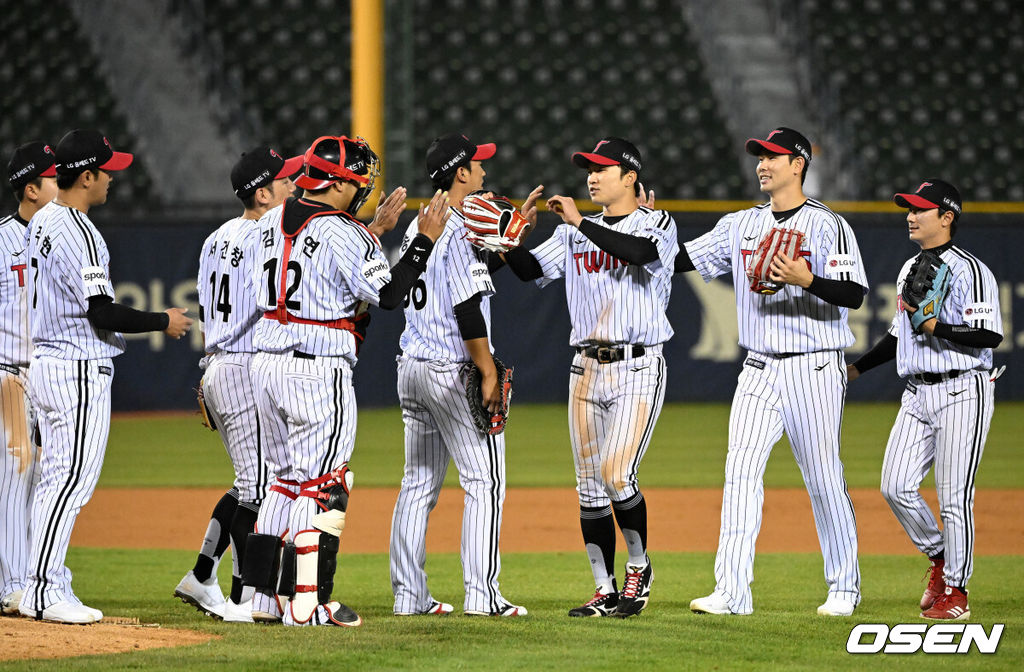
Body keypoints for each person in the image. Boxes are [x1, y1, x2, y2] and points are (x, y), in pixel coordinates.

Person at [242, 135, 448, 627]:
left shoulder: (270, 221)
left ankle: (263, 600)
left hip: (266, 363)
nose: (364, 190)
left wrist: (371, 232)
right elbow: (391, 294)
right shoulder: (343, 230)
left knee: (282, 485)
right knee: (324, 487)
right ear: (335, 183)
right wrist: (423, 240)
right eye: (358, 182)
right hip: (316, 368)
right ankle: (309, 606)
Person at [683, 127, 866, 617]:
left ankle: (844, 588)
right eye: (759, 157)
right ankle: (732, 592)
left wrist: (807, 279)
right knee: (740, 471)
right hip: (759, 367)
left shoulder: (828, 225)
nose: (762, 164)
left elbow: (854, 294)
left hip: (814, 367)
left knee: (824, 477)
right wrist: (637, 227)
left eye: (773, 157)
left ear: (798, 164)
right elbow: (681, 258)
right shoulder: (740, 224)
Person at [20, 129, 192, 624]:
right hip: (74, 366)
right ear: (87, 175)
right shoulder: (77, 229)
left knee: (55, 480)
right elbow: (101, 312)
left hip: (49, 364)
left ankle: (43, 580)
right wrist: (163, 321)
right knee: (69, 482)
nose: (113, 179)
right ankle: (42, 589)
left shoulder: (45, 219)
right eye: (107, 170)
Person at [504, 137, 678, 618]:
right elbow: (528, 272)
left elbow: (640, 253)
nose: (592, 175)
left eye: (603, 168)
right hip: (585, 367)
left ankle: (639, 569)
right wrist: (507, 238)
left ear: (630, 178)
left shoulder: (656, 221)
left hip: (639, 365)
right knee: (589, 488)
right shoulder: (571, 233)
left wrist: (580, 222)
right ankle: (604, 589)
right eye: (589, 167)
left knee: (617, 475)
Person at [390, 133, 539, 617]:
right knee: (484, 481)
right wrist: (487, 368)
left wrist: (509, 240)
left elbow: (453, 280)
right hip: (451, 369)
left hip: (411, 366)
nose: (483, 172)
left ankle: (409, 596)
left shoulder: (424, 224)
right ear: (460, 174)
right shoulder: (459, 226)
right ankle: (483, 596)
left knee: (418, 484)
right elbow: (467, 305)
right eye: (477, 166)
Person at [848, 179, 1002, 620]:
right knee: (895, 485)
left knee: (954, 497)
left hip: (963, 390)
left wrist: (939, 329)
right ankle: (939, 557)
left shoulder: (972, 271)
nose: (910, 216)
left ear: (947, 217)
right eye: (908, 209)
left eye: (920, 209)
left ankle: (957, 591)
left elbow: (991, 335)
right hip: (916, 393)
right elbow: (899, 338)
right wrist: (854, 370)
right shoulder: (909, 268)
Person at [174, 146, 302, 622]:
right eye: (285, 180)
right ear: (263, 192)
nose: (294, 185)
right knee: (260, 491)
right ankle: (242, 597)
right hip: (245, 365)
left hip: (220, 364)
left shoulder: (216, 236)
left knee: (247, 484)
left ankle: (203, 573)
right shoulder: (267, 236)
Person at [0, 142, 57, 617]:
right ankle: (14, 584)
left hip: (45, 377)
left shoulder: (61, 235)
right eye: (55, 177)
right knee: (15, 480)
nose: (65, 183)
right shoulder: (2, 240)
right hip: (8, 376)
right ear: (32, 188)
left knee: (44, 483)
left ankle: (40, 577)